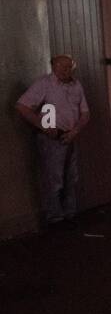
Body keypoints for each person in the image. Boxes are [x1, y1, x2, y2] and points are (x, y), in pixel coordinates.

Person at [15, 54, 90, 226]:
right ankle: (55, 217)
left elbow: (85, 112)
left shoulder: (76, 85)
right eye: (63, 67)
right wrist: (44, 126)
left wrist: (75, 130)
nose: (67, 70)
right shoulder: (44, 84)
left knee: (71, 177)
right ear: (54, 67)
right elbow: (22, 106)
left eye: (69, 67)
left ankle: (70, 213)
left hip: (71, 135)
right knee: (53, 178)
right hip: (52, 138)